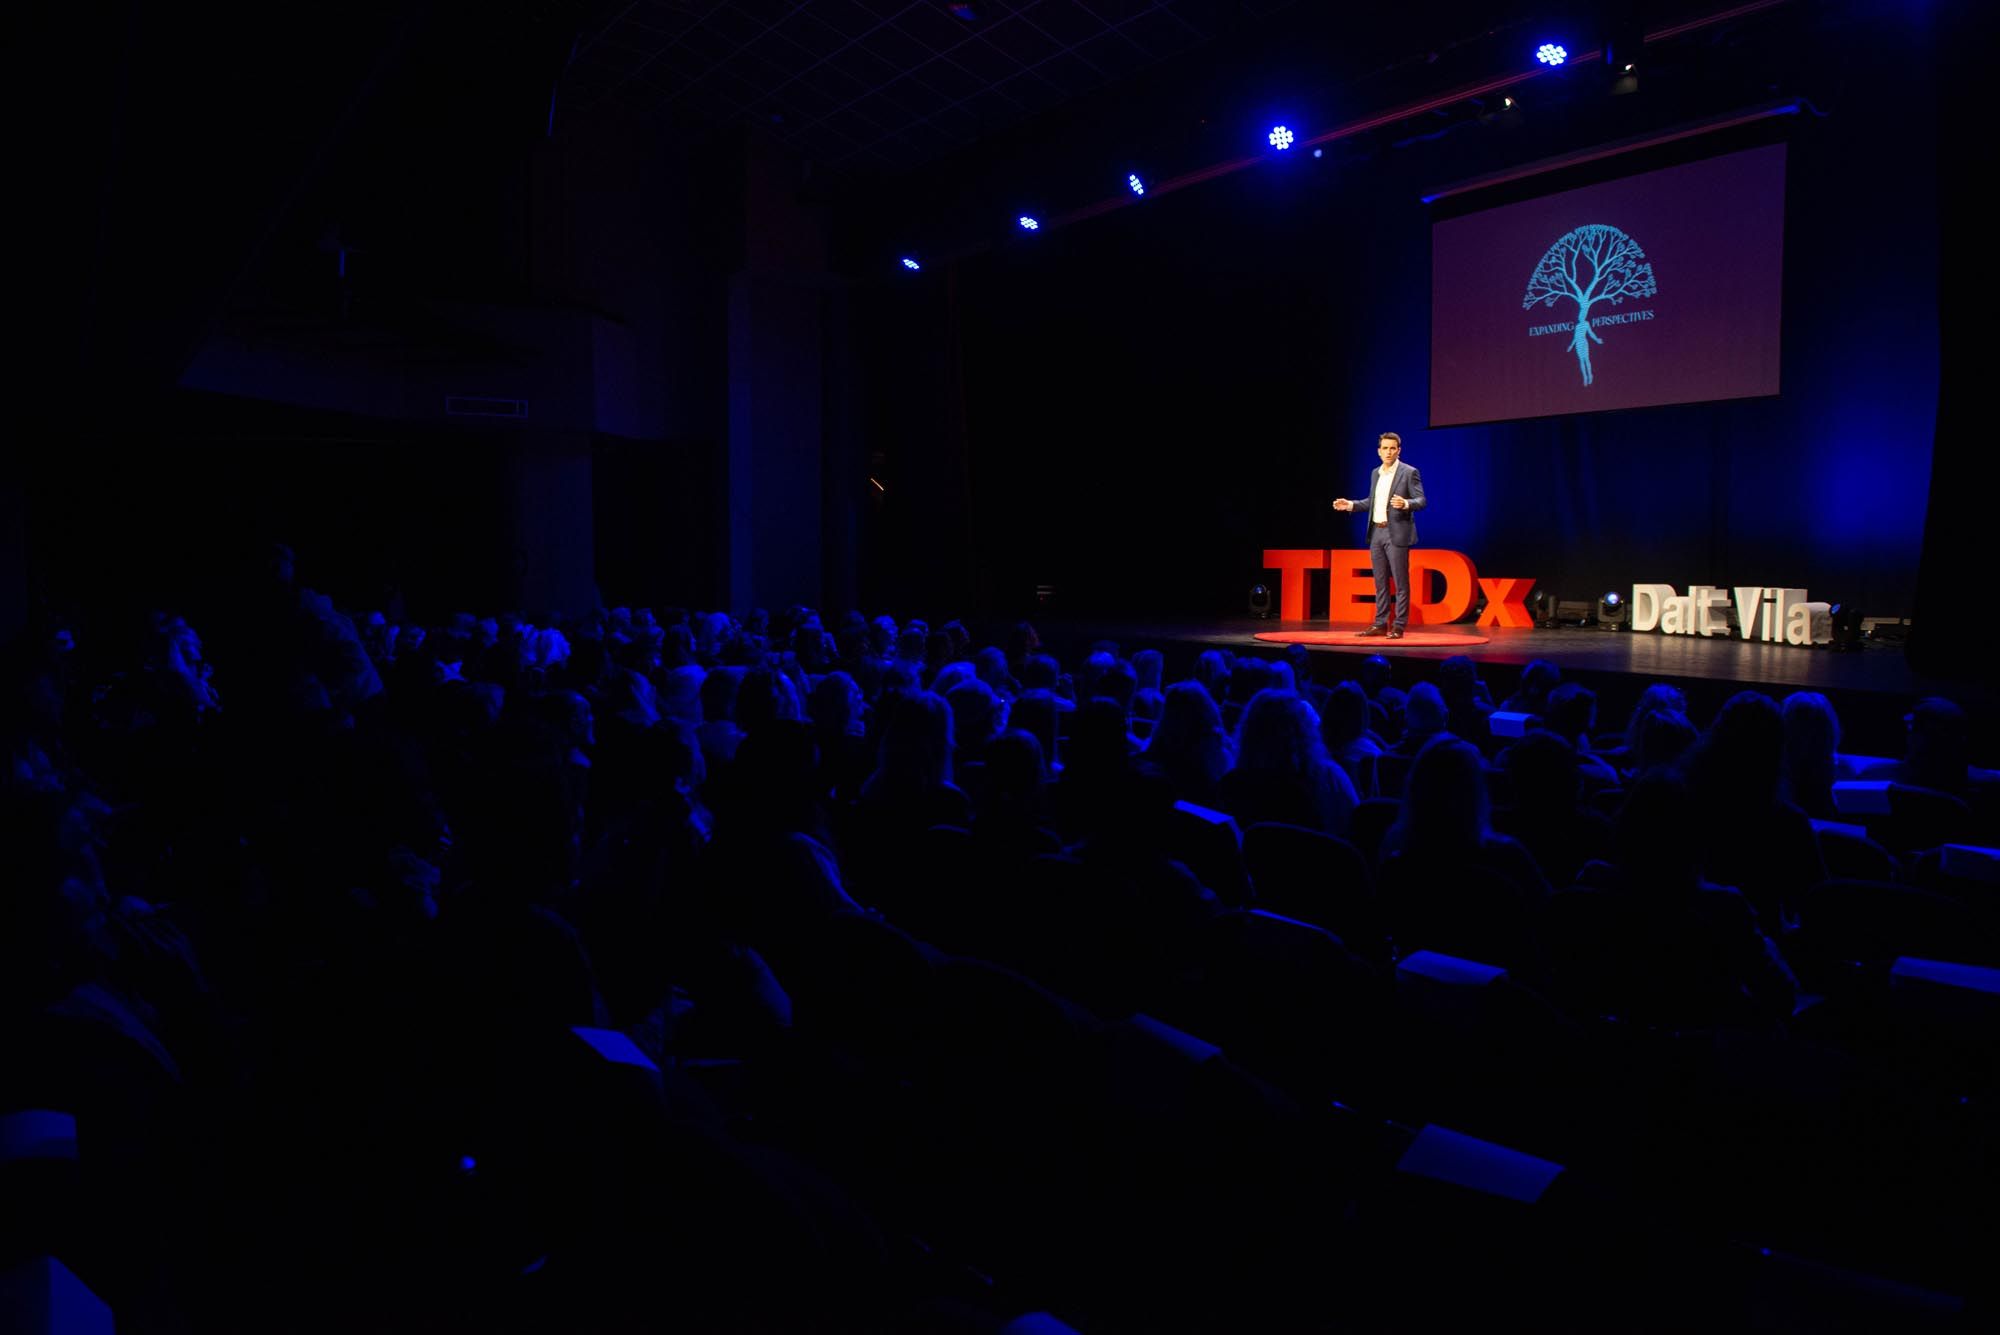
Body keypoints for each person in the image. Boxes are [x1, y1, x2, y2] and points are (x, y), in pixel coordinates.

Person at [1331, 432, 1427, 639]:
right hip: (1376, 532)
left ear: (1398, 450)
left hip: (1397, 533)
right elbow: (1372, 502)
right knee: (1380, 582)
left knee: (1401, 582)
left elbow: (1421, 500)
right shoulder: (1376, 473)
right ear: (1379, 451)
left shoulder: (1409, 472)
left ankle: (1399, 625)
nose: (1388, 452)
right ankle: (1380, 623)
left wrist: (1407, 503)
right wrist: (1351, 505)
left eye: (1393, 448)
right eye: (1385, 448)